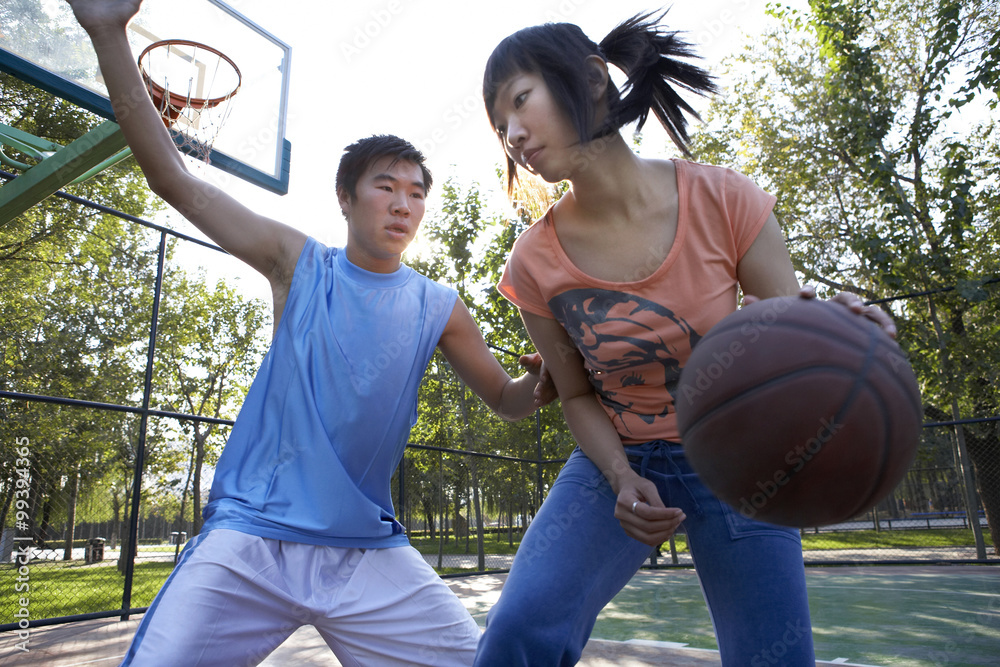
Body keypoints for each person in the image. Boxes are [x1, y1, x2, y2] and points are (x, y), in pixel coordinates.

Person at [67, 1, 556, 665]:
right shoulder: (298, 263)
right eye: (385, 186)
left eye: (416, 192)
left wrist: (543, 381)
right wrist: (105, 30)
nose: (403, 203)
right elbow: (173, 179)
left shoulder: (438, 304)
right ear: (346, 199)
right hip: (253, 540)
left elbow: (506, 399)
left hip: (365, 550)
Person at [473, 11, 897, 666]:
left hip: (739, 456)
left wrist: (837, 326)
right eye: (500, 125)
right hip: (621, 457)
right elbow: (576, 393)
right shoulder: (533, 263)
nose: (514, 135)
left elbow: (787, 329)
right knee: (516, 632)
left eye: (520, 102)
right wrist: (618, 476)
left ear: (590, 81)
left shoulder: (724, 199)